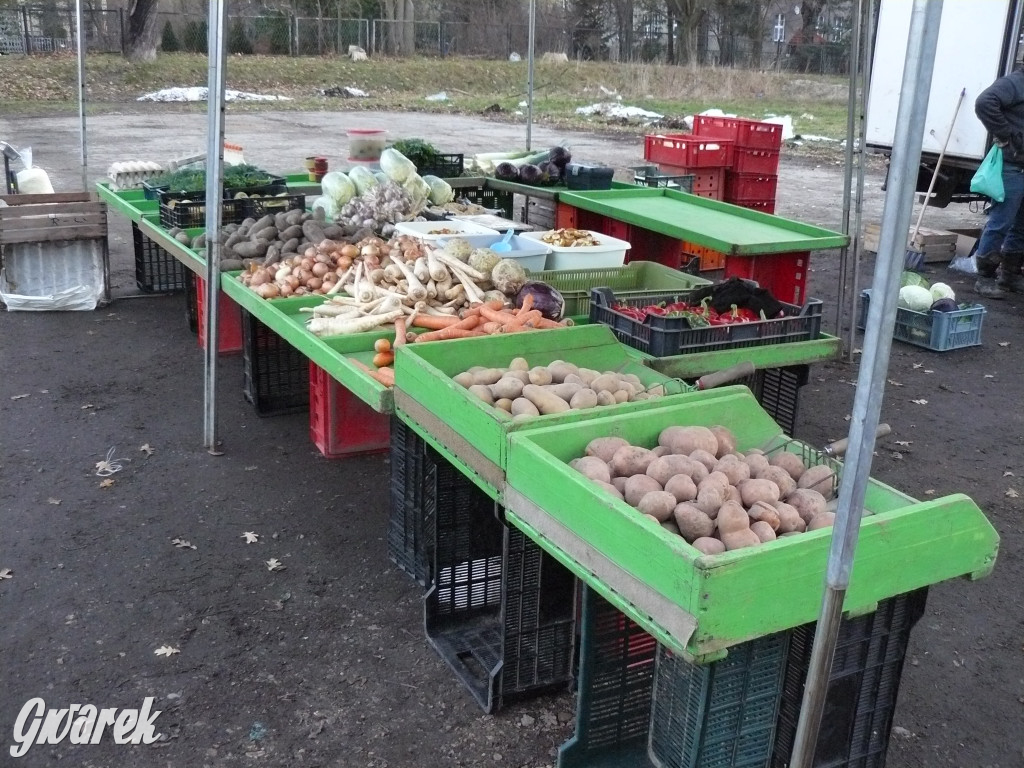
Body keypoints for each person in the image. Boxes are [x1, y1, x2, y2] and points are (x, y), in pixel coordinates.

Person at [973, 67, 1024, 298]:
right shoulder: (1015, 82)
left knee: (1021, 225)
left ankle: (1010, 276)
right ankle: (984, 278)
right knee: (1001, 221)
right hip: (1012, 166)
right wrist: (1005, 134)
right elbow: (984, 102)